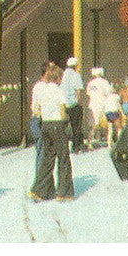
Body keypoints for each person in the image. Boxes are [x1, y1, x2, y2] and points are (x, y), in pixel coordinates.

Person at [29, 64, 74, 201]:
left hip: (45, 125)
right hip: (57, 124)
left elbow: (36, 108)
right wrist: (66, 121)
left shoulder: (43, 90)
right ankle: (64, 192)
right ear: (58, 78)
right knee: (63, 158)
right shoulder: (58, 91)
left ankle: (39, 190)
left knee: (47, 159)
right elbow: (62, 110)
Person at [60, 56, 85, 151]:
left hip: (63, 104)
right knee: (76, 127)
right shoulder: (76, 75)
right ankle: (76, 146)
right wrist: (78, 102)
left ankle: (62, 147)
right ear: (75, 65)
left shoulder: (62, 75)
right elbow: (78, 91)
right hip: (73, 104)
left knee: (63, 127)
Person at [85, 68, 112, 149]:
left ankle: (89, 142)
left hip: (93, 104)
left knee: (92, 124)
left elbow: (88, 94)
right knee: (108, 123)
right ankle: (109, 141)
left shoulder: (91, 83)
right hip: (102, 104)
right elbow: (108, 93)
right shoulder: (104, 82)